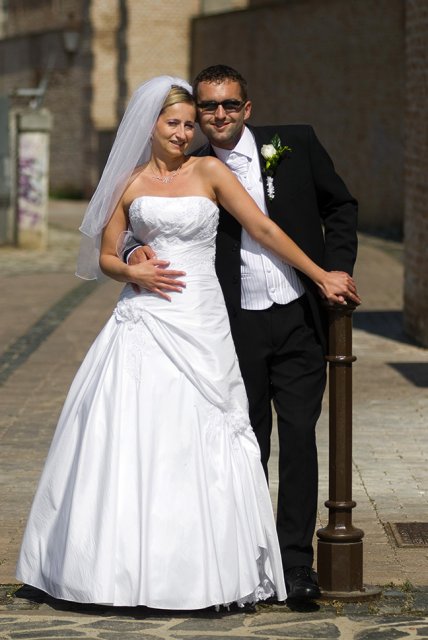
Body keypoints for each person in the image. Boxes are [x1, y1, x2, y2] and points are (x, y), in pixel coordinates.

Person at [16, 76, 359, 610]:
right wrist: (132, 267)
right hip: (148, 318)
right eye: (174, 123)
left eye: (187, 124)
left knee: (233, 434)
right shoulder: (128, 182)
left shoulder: (210, 170)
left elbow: (265, 229)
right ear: (150, 125)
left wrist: (322, 274)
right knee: (141, 433)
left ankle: (262, 564)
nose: (183, 132)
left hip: (206, 316)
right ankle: (126, 565)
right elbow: (108, 252)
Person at [124, 65, 359, 601]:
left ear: (246, 108)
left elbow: (340, 206)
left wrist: (335, 270)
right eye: (208, 107)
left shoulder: (294, 144)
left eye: (230, 104)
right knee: (245, 442)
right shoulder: (191, 165)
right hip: (231, 325)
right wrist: (133, 251)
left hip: (298, 315)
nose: (219, 115)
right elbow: (137, 214)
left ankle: (296, 565)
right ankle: (244, 563)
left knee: (299, 437)